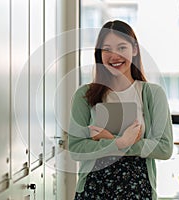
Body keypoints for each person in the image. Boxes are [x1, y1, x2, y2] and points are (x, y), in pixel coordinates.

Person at [68, 20, 173, 200]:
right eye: (107, 49)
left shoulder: (152, 94)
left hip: (137, 190)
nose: (114, 55)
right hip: (93, 190)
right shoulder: (84, 95)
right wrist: (120, 143)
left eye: (122, 47)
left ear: (134, 49)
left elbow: (164, 148)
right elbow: (76, 148)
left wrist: (112, 139)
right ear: (99, 54)